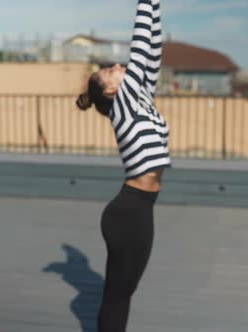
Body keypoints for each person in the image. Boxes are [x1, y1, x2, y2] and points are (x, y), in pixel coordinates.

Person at [75, 0, 170, 331]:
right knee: (117, 296)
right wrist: (146, 2)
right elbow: (141, 48)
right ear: (112, 89)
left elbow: (153, 51)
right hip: (128, 212)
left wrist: (155, 6)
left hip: (141, 208)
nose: (116, 65)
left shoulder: (140, 96)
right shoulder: (124, 104)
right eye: (108, 71)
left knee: (124, 293)